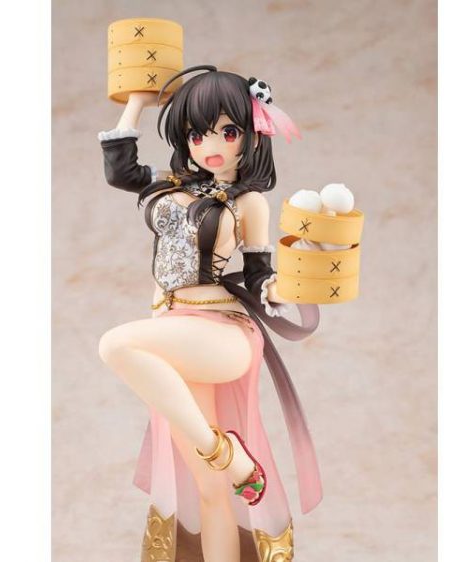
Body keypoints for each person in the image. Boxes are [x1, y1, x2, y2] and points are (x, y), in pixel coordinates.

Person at [98, 66, 322, 562]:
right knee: (208, 487)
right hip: (176, 335)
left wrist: (283, 287)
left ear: (252, 133)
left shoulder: (250, 203)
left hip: (221, 335)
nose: (211, 145)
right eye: (198, 134)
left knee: (115, 344)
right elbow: (121, 172)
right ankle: (226, 465)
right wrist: (136, 101)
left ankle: (234, 456)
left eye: (228, 131)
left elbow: (259, 274)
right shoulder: (170, 186)